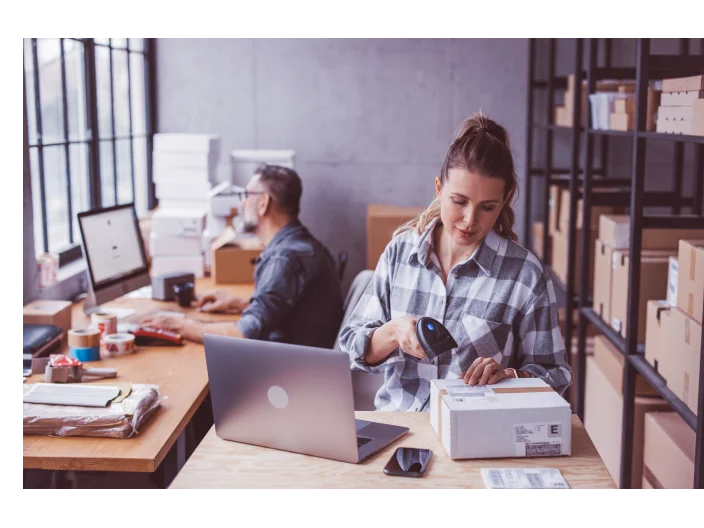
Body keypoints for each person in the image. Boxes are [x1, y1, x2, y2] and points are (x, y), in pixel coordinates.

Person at [338, 112, 572, 412]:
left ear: (506, 199)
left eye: (487, 207)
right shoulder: (400, 254)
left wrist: (511, 377)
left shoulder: (524, 275)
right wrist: (394, 332)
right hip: (401, 430)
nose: (469, 220)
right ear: (439, 189)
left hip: (474, 436)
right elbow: (353, 348)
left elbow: (556, 376)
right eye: (459, 202)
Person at [141, 164, 344, 348]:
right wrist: (237, 303)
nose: (241, 204)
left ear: (263, 202)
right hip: (302, 360)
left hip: (285, 374)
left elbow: (245, 335)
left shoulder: (284, 258)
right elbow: (290, 309)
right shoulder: (302, 244)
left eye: (247, 195)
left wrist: (179, 325)